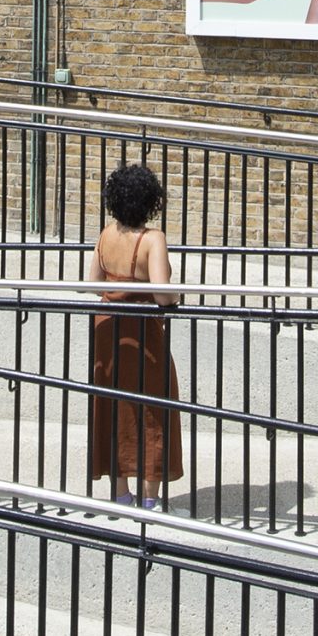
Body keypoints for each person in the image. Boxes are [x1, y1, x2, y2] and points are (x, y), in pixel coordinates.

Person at [87, 163, 183, 509]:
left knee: (115, 407)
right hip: (142, 334)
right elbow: (162, 293)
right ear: (150, 201)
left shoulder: (105, 234)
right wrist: (178, 297)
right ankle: (150, 500)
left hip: (107, 328)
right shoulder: (152, 239)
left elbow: (94, 283)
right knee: (154, 409)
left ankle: (120, 493)